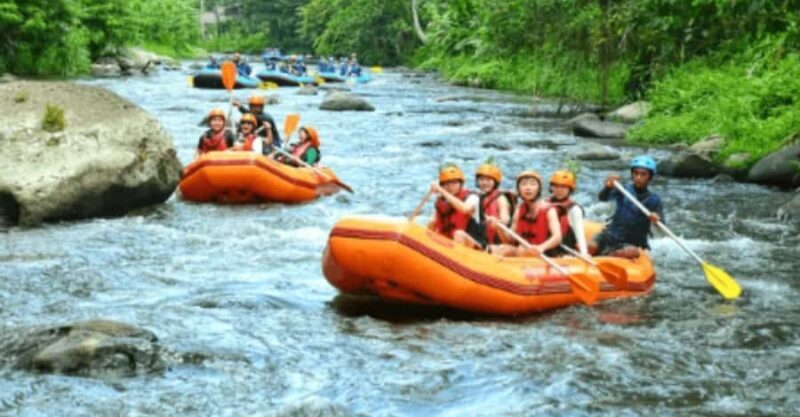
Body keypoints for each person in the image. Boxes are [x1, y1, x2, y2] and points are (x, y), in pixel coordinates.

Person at [589, 156, 664, 258]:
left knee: (631, 252)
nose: (638, 177)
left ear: (650, 177)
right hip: (610, 235)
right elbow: (603, 198)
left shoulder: (655, 200)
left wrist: (656, 220)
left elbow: (660, 226)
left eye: (643, 174)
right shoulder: (622, 189)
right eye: (636, 173)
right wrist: (607, 187)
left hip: (632, 242)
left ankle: (606, 257)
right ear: (632, 174)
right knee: (590, 246)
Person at [488, 171, 562, 257]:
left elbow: (557, 237)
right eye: (524, 184)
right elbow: (509, 241)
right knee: (494, 248)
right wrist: (499, 228)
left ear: (539, 189)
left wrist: (542, 247)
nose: (528, 188)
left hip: (543, 254)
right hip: (523, 253)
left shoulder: (549, 210)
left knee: (518, 250)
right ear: (518, 189)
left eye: (532, 184)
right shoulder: (519, 210)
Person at [453, 162, 512, 250]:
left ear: (495, 182)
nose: (484, 183)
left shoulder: (501, 198)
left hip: (494, 244)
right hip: (479, 239)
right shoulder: (475, 197)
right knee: (459, 233)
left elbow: (505, 219)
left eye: (488, 180)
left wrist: (498, 221)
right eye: (482, 179)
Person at [427, 165, 480, 240]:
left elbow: (464, 209)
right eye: (446, 184)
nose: (450, 187)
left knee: (458, 234)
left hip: (468, 240)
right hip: (446, 241)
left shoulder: (473, 197)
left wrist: (442, 191)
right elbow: (435, 220)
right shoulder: (441, 200)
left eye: (454, 183)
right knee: (431, 222)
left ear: (461, 184)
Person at [547, 170, 589, 257]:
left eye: (563, 187)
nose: (559, 190)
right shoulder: (544, 204)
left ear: (570, 189)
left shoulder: (574, 209)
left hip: (564, 250)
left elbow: (579, 234)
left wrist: (584, 253)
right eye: (556, 186)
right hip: (546, 247)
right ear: (551, 187)